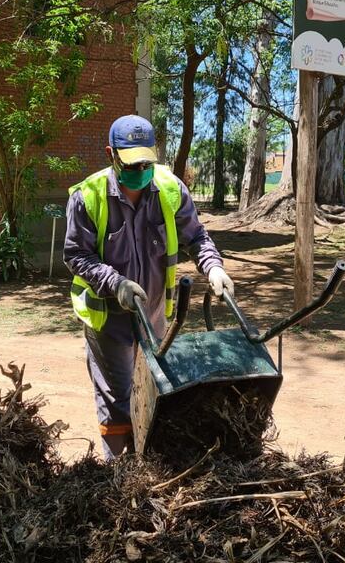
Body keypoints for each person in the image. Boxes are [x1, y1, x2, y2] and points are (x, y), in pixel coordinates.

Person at [63, 115, 233, 459]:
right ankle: (121, 474)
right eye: (131, 163)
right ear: (111, 154)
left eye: (146, 162)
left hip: (154, 317)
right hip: (108, 321)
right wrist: (116, 283)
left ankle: (151, 463)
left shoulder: (170, 190)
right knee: (119, 397)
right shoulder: (87, 197)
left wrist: (213, 267)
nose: (140, 169)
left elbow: (196, 236)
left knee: (155, 390)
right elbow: (75, 254)